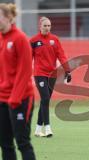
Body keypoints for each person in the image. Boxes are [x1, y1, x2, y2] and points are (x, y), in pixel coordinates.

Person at [0, 3, 36, 160]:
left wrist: (15, 98)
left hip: (20, 99)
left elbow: (25, 71)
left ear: (8, 17)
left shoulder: (20, 38)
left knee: (22, 142)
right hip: (2, 98)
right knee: (5, 143)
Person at [30, 16, 71, 137]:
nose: (47, 28)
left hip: (52, 74)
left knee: (45, 101)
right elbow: (28, 58)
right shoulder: (33, 41)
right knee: (46, 98)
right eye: (45, 26)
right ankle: (47, 128)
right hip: (39, 73)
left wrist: (68, 71)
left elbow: (61, 55)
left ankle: (37, 130)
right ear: (40, 26)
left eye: (49, 26)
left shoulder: (55, 39)